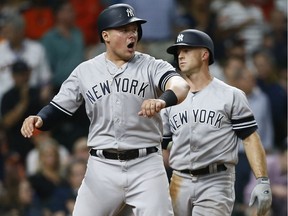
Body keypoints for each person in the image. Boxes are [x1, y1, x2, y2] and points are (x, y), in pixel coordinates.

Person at [20, 3, 190, 216]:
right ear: (106, 36)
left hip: (146, 165)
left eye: (134, 29)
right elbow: (59, 108)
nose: (132, 35)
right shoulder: (86, 70)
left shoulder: (152, 65)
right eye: (124, 30)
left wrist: (163, 100)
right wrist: (40, 118)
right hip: (102, 168)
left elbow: (181, 86)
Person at [161, 29, 272, 216]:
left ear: (204, 54)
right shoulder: (171, 98)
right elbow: (161, 145)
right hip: (179, 179)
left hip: (216, 181)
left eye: (186, 50)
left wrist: (262, 180)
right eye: (178, 52)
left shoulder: (231, 95)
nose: (180, 55)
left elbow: (250, 138)